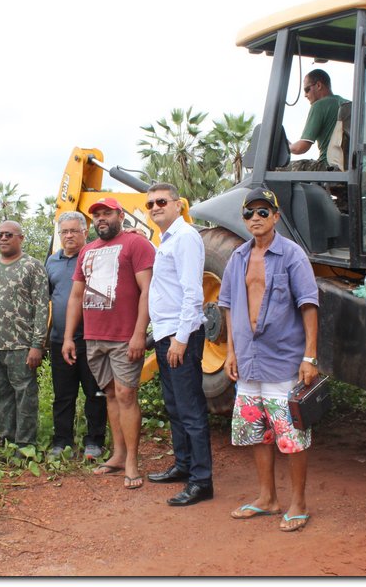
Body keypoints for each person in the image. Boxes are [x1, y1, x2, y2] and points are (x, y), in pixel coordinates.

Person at [218, 187, 320, 532]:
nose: (256, 218)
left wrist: (309, 356)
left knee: (290, 434)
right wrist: (231, 351)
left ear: (276, 217)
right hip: (248, 360)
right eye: (250, 213)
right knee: (256, 431)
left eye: (264, 212)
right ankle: (267, 498)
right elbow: (228, 307)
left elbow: (309, 304)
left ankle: (298, 502)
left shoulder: (292, 255)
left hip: (283, 360)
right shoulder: (238, 257)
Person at [63, 197, 155, 490]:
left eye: (106, 213)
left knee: (127, 395)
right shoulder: (87, 251)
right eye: (97, 215)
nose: (101, 218)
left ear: (119, 215)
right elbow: (76, 296)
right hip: (94, 336)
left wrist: (140, 332)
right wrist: (68, 337)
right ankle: (117, 455)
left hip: (124, 336)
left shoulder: (136, 244)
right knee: (111, 395)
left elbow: (147, 290)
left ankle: (132, 462)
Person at [144, 183, 214, 506]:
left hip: (179, 336)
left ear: (177, 204)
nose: (155, 207)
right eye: (150, 204)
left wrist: (181, 339)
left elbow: (192, 294)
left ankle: (201, 481)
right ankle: (184, 465)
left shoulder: (185, 238)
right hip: (166, 334)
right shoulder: (166, 240)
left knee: (190, 409)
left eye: (161, 201)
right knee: (175, 407)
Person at [0, 220, 49, 449]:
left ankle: (25, 445)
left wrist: (37, 344)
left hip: (23, 347)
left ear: (20, 238)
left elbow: (42, 308)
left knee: (25, 397)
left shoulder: (33, 266)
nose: (3, 238)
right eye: (0, 235)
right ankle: (8, 440)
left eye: (9, 235)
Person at [45, 211, 108, 460]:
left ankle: (94, 441)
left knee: (94, 392)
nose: (69, 235)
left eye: (74, 230)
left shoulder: (95, 255)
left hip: (91, 338)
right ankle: (62, 441)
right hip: (60, 339)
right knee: (63, 394)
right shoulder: (51, 262)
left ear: (85, 231)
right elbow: (49, 298)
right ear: (59, 235)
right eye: (64, 232)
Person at [286, 69, 347, 172]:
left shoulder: (320, 105)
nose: (305, 95)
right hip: (347, 169)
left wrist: (287, 147)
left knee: (276, 169)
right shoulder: (346, 104)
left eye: (307, 89)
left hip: (327, 166)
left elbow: (301, 147)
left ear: (318, 85)